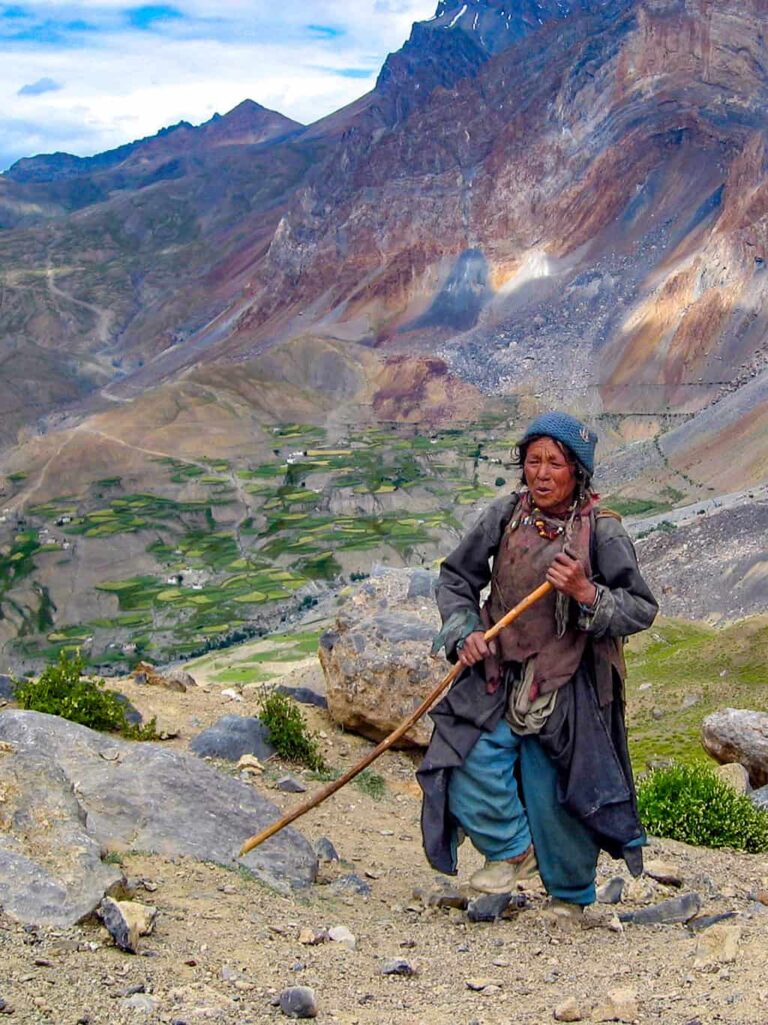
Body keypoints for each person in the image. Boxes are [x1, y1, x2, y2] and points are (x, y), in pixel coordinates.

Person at [418, 411, 658, 917]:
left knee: (556, 787)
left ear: (577, 471)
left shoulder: (603, 533)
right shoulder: (505, 516)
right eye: (533, 461)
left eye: (555, 463)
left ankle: (569, 899)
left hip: (569, 681)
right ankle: (511, 851)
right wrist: (464, 632)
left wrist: (585, 591)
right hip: (498, 669)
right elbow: (456, 578)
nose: (542, 473)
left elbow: (640, 608)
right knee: (463, 755)